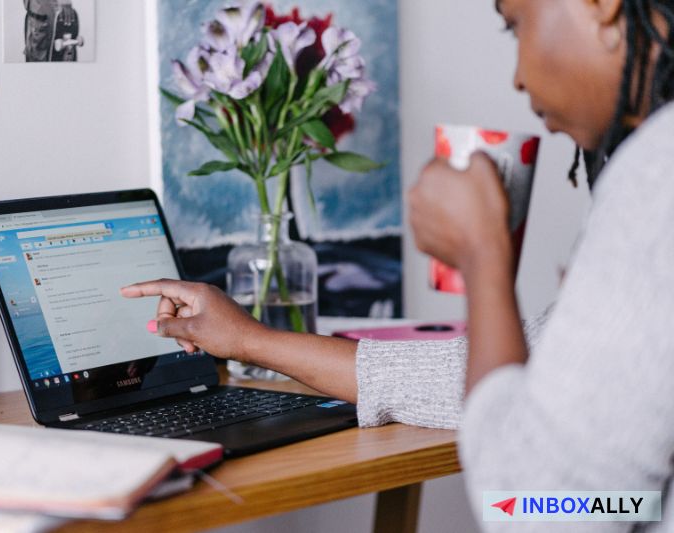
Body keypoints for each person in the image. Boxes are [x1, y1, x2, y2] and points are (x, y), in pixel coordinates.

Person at [122, 0, 674, 529]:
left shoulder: (655, 176)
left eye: (515, 25)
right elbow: (542, 371)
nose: (518, 78)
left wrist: (483, 258)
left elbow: (540, 510)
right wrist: (249, 340)